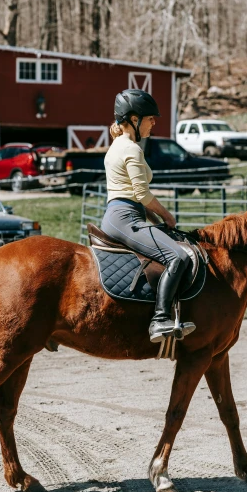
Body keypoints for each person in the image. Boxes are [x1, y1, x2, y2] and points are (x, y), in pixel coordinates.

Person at [101, 89, 196, 343]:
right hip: (125, 217)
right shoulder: (131, 149)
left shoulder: (117, 146)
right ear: (133, 119)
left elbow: (136, 196)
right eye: (150, 117)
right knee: (177, 257)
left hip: (123, 214)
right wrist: (168, 216)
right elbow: (142, 194)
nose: (154, 122)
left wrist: (157, 221)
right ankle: (160, 320)